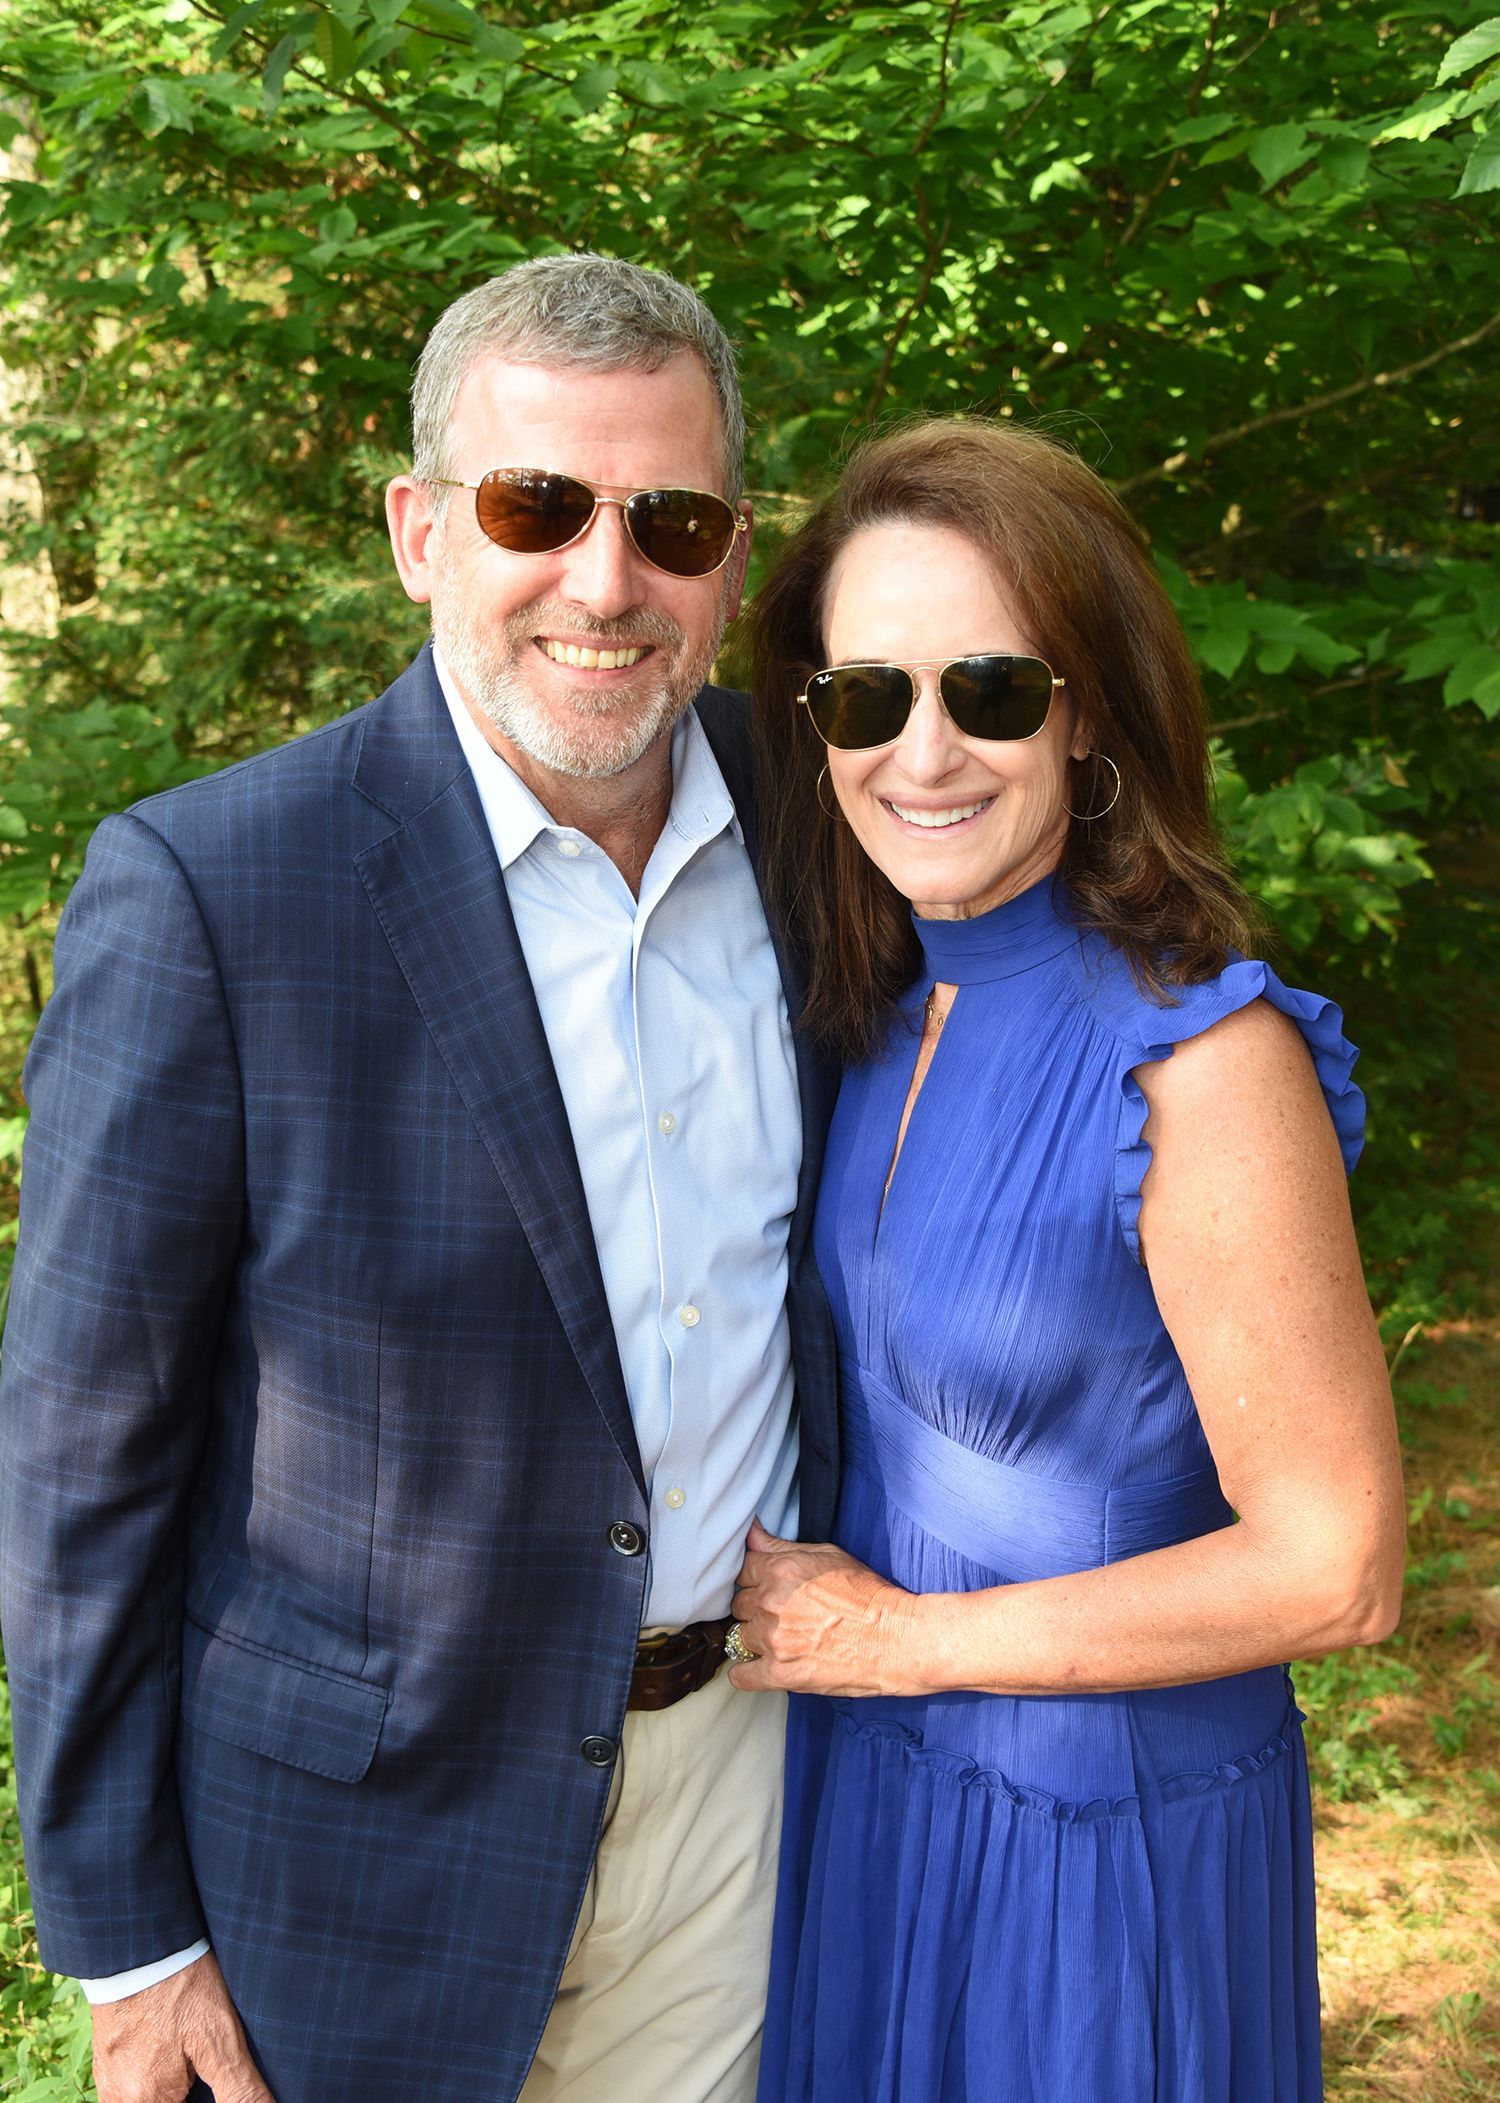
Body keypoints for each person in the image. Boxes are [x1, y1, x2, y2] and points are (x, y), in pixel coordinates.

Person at [0, 254, 838, 2103]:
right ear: (419, 531)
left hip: (747, 1807)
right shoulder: (214, 894)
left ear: (733, 551)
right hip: (348, 1867)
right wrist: (129, 1944)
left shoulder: (829, 832)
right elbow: (78, 1468)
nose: (604, 582)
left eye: (670, 520)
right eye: (537, 506)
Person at [725, 419, 1405, 2102]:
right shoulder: (878, 1010)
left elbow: (1339, 1568)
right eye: (869, 697)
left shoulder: (1196, 1058)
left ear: (1087, 710)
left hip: (1100, 1846)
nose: (924, 751)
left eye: (994, 691)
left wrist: (900, 1646)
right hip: (876, 1789)